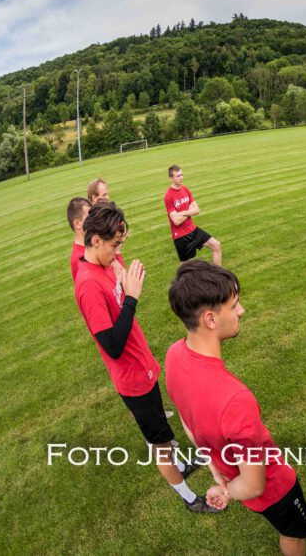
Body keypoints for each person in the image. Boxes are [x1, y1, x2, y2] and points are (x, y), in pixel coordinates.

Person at [165, 261, 306, 556]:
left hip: (235, 477)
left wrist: (215, 470)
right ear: (211, 319)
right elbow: (254, 485)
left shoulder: (174, 355)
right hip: (275, 488)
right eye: (234, 305)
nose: (241, 310)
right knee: (293, 534)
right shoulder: (235, 399)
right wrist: (225, 490)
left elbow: (189, 424)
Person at [73, 202, 214, 513]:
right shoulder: (87, 285)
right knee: (159, 443)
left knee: (162, 429)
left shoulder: (104, 267)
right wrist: (132, 296)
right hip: (132, 381)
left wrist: (123, 284)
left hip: (142, 368)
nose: (118, 251)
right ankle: (189, 498)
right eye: (115, 245)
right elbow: (111, 345)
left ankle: (181, 465)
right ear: (95, 240)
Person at [165, 164, 222, 265]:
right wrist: (190, 211)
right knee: (186, 266)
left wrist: (183, 212)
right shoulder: (168, 196)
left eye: (182, 174)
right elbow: (176, 221)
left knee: (216, 245)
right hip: (181, 236)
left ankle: (218, 274)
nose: (181, 177)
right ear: (171, 179)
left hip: (193, 229)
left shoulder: (185, 189)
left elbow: (197, 209)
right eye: (178, 176)